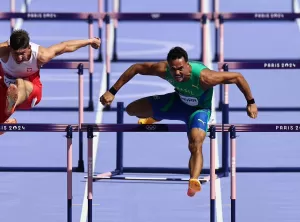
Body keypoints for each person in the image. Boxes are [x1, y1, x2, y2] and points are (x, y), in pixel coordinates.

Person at [100, 46, 258, 197]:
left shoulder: (205, 77)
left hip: (198, 111)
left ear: (187, 65)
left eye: (180, 68)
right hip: (177, 102)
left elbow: (238, 77)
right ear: (168, 66)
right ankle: (157, 116)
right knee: (131, 110)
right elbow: (136, 68)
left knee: (195, 142)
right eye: (173, 69)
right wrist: (112, 91)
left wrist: (250, 102)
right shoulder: (164, 70)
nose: (177, 72)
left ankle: (193, 181)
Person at [0, 29, 101, 135]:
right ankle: (7, 121)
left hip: (30, 90)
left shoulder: (41, 55)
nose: (19, 58)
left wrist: (90, 41)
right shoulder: (4, 50)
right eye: (16, 54)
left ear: (29, 48)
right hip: (4, 87)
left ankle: (12, 103)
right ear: (10, 49)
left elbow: (65, 46)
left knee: (20, 82)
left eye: (22, 53)